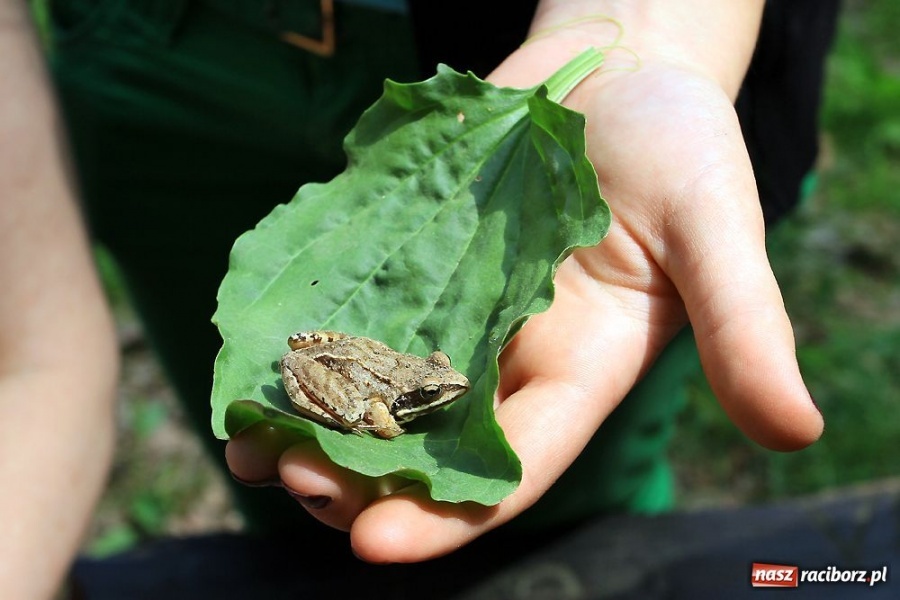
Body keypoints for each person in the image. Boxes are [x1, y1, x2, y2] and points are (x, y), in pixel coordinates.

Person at [1, 0, 837, 597]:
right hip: (157, 55)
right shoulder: (409, 397)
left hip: (503, 38)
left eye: (440, 383)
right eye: (441, 387)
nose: (449, 384)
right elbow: (376, 409)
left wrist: (654, 26)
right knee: (295, 504)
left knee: (567, 504)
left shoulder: (437, 372)